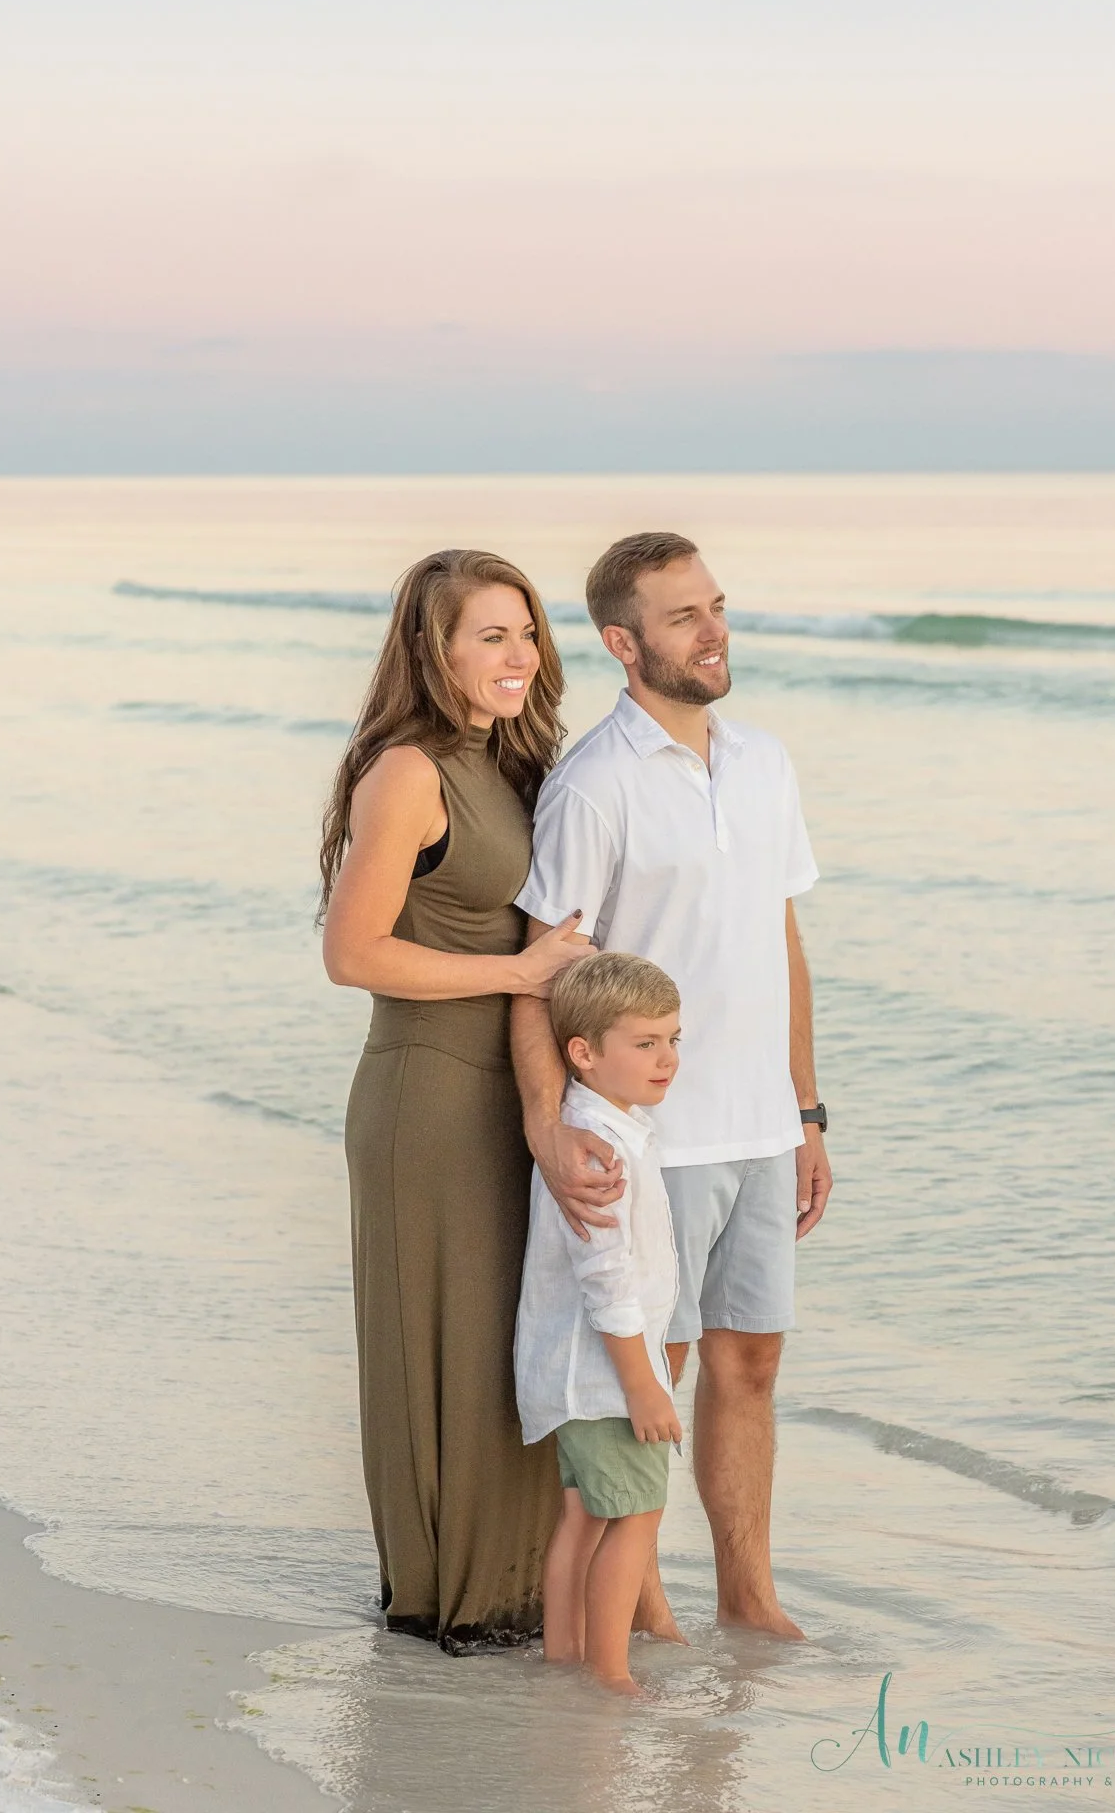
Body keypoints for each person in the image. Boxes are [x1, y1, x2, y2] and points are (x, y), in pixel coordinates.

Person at [512, 530, 833, 1642]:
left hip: (755, 1123)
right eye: (684, 615)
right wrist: (550, 1129)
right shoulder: (591, 785)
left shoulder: (761, 761)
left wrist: (804, 1111)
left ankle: (747, 1595)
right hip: (650, 1143)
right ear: (622, 641)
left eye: (716, 606)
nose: (713, 629)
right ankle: (639, 1612)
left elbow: (777, 940)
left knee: (747, 1363)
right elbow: (539, 975)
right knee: (652, 1366)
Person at [319, 548, 593, 1653]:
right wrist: (518, 975)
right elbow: (352, 951)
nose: (517, 654)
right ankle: (441, 1595)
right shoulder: (408, 770)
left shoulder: (518, 762)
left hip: (513, 1091)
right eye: (489, 634)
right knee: (436, 1341)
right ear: (432, 649)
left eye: (525, 630)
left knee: (509, 1344)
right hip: (425, 1095)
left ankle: (515, 1587)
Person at [514, 952, 685, 1696]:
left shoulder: (603, 1128)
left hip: (575, 1376)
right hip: (608, 1378)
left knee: (583, 1518)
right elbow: (607, 1280)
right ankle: (610, 1673)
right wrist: (645, 1385)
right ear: (583, 1053)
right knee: (637, 1517)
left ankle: (566, 1657)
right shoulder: (599, 1148)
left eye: (675, 1039)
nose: (667, 1058)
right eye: (645, 1043)